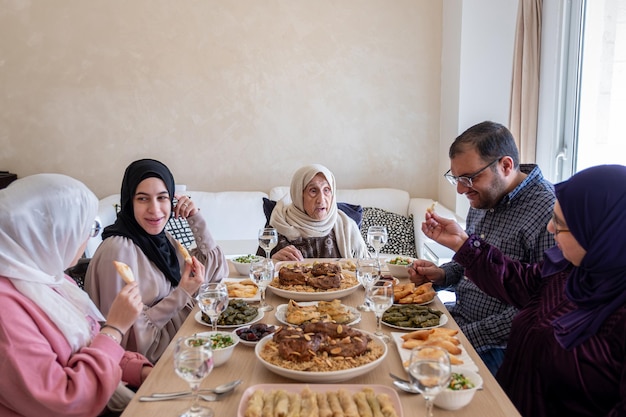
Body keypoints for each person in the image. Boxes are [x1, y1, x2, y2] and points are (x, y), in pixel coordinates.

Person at [421, 164, 626, 416]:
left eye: (560, 224)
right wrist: (463, 244)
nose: (551, 229)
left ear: (602, 233)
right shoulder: (570, 272)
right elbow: (516, 279)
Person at [408, 121, 555, 374]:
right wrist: (442, 275)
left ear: (506, 165)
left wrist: (461, 336)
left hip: (499, 346)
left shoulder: (549, 212)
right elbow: (473, 265)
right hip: (458, 319)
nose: (461, 189)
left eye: (469, 178)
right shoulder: (485, 198)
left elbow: (537, 307)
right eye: (456, 178)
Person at [0, 173, 152, 417]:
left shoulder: (52, 278)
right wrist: (115, 328)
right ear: (49, 233)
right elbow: (65, 401)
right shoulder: (5, 309)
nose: (87, 237)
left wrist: (141, 371)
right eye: (86, 227)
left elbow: (88, 347)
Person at [85, 159, 228, 363]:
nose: (155, 209)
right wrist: (182, 294)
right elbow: (128, 340)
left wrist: (196, 218)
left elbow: (214, 276)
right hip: (156, 363)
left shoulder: (160, 240)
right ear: (129, 202)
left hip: (185, 341)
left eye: (162, 198)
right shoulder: (118, 252)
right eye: (143, 199)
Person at [260, 164, 368, 261]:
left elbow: (367, 269)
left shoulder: (346, 226)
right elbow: (256, 269)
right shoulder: (278, 223)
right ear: (299, 195)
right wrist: (272, 260)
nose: (321, 200)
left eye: (326, 190)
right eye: (313, 191)